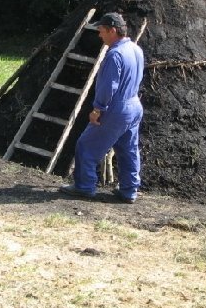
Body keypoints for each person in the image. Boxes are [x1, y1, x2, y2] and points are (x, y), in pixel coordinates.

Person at [60, 12, 145, 203]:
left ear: (112, 30)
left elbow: (109, 86)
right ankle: (129, 191)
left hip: (117, 109)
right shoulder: (135, 49)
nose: (99, 35)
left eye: (101, 31)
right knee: (128, 149)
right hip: (134, 106)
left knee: (86, 145)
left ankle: (84, 187)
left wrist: (98, 109)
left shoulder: (115, 54)